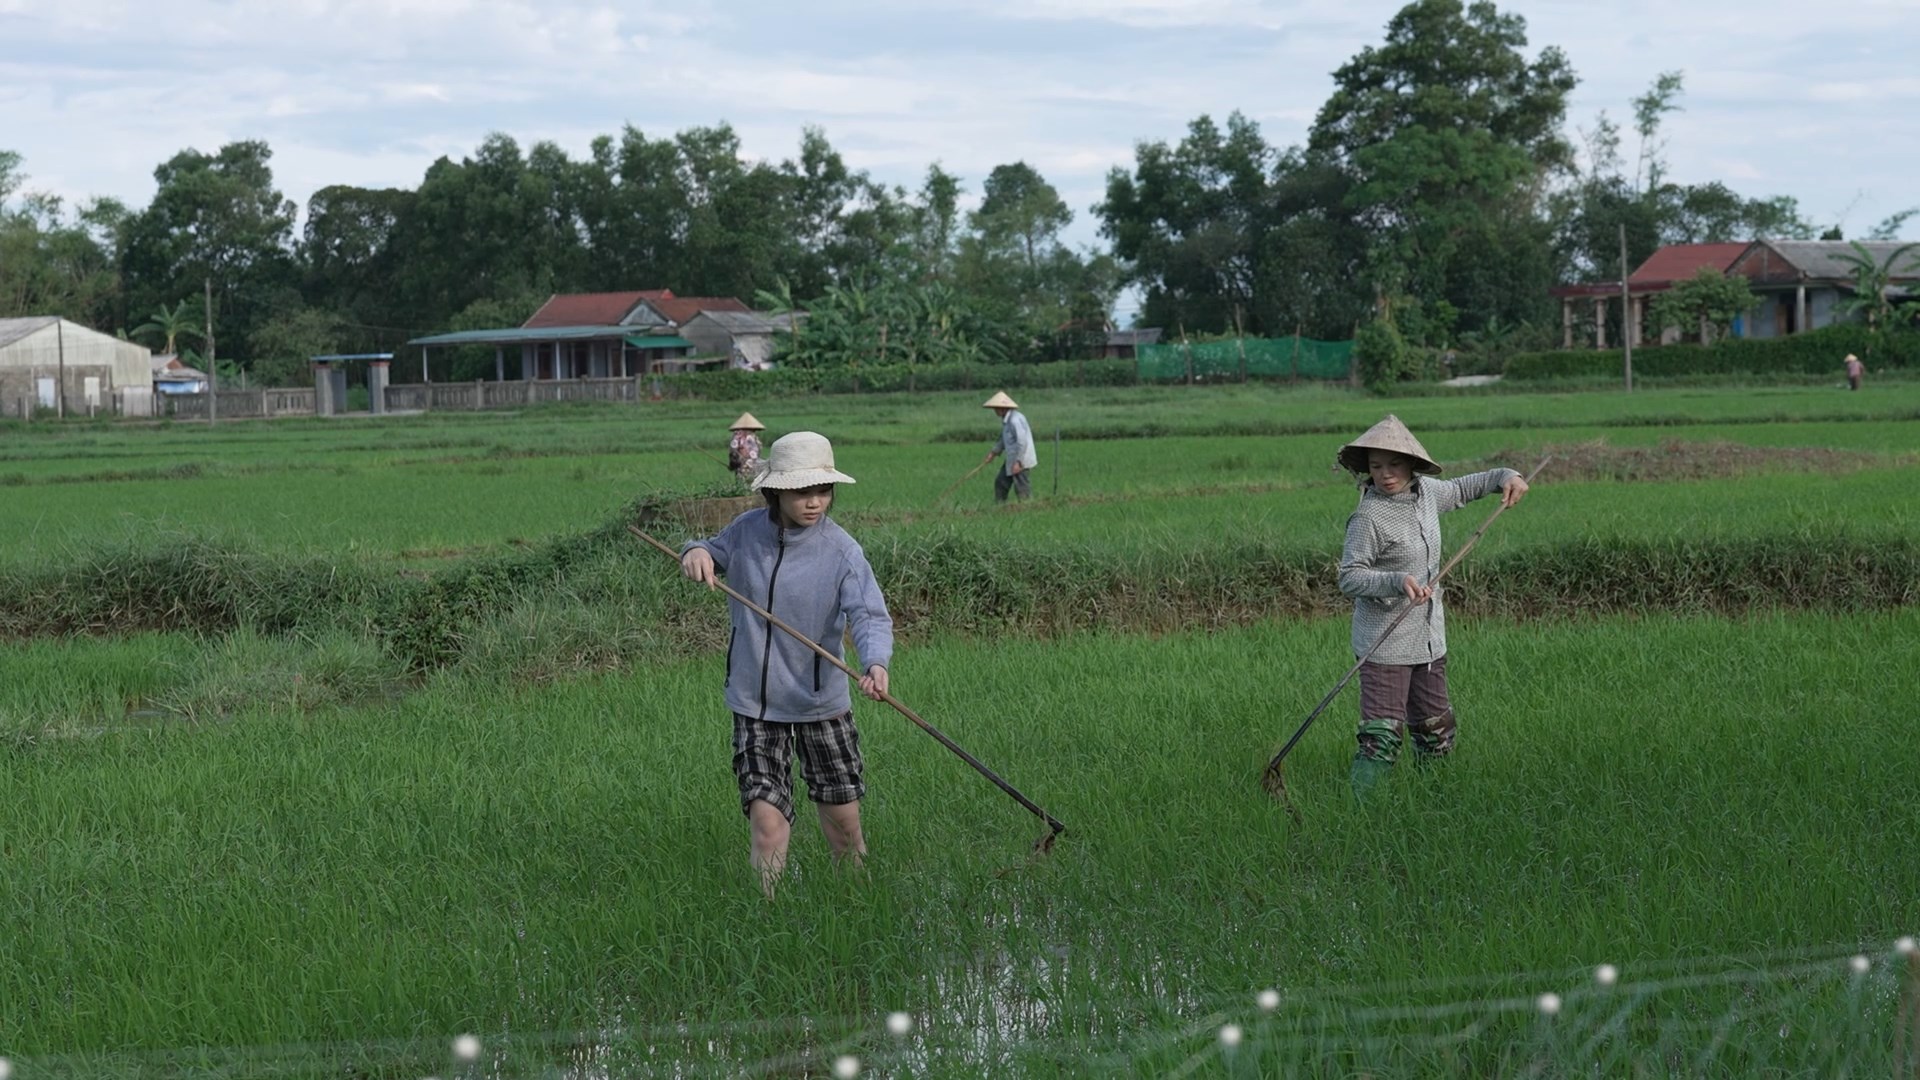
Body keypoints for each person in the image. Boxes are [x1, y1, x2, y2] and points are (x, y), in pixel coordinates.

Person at [680, 431, 894, 896]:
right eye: (802, 492)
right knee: (768, 826)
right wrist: (695, 552)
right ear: (775, 490)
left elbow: (869, 616)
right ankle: (767, 920)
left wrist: (875, 664)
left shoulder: (843, 552)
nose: (814, 502)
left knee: (844, 830)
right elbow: (709, 550)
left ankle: (856, 906)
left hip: (821, 704)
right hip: (756, 705)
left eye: (822, 491)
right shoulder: (745, 532)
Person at [1335, 415, 1528, 798]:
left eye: (1393, 465)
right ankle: (1358, 815)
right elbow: (1349, 577)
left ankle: (1435, 803)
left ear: (1411, 465)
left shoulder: (1427, 494)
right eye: (1376, 467)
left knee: (1435, 729)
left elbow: (1466, 487)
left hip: (1427, 641)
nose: (1385, 475)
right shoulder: (1369, 517)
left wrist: (1508, 475)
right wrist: (1396, 581)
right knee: (1381, 738)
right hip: (1384, 644)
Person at [980, 391, 1038, 503]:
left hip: (1021, 458)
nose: (995, 411)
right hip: (1013, 458)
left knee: (1021, 485)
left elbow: (1022, 442)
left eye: (996, 408)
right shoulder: (1007, 421)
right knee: (1001, 482)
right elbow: (1003, 439)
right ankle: (1000, 506)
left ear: (1003, 408)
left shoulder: (1015, 420)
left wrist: (1019, 462)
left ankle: (1027, 506)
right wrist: (993, 453)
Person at [727, 412, 764, 485]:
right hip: (745, 466)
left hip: (750, 466)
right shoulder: (739, 436)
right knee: (751, 484)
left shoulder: (750, 436)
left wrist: (732, 464)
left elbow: (733, 450)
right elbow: (733, 451)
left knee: (746, 484)